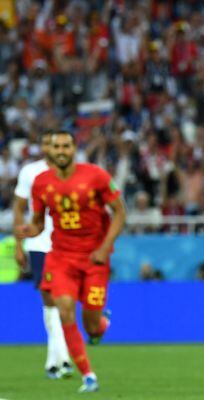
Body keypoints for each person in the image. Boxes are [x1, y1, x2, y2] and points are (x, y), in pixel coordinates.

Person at [17, 131, 126, 393]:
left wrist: (104, 247)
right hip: (61, 256)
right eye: (57, 146)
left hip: (94, 258)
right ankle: (88, 376)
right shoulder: (41, 182)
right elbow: (39, 223)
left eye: (66, 145)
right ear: (50, 151)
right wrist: (28, 232)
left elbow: (120, 212)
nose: (62, 150)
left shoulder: (96, 176)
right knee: (63, 309)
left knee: (92, 326)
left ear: (74, 148)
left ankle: (101, 323)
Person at [12, 131, 73, 379]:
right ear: (43, 146)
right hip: (39, 244)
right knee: (50, 302)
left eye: (57, 144)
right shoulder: (30, 172)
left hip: (66, 244)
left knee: (63, 302)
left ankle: (55, 360)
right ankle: (62, 359)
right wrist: (19, 244)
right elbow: (18, 209)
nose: (53, 148)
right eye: (47, 143)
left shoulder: (73, 173)